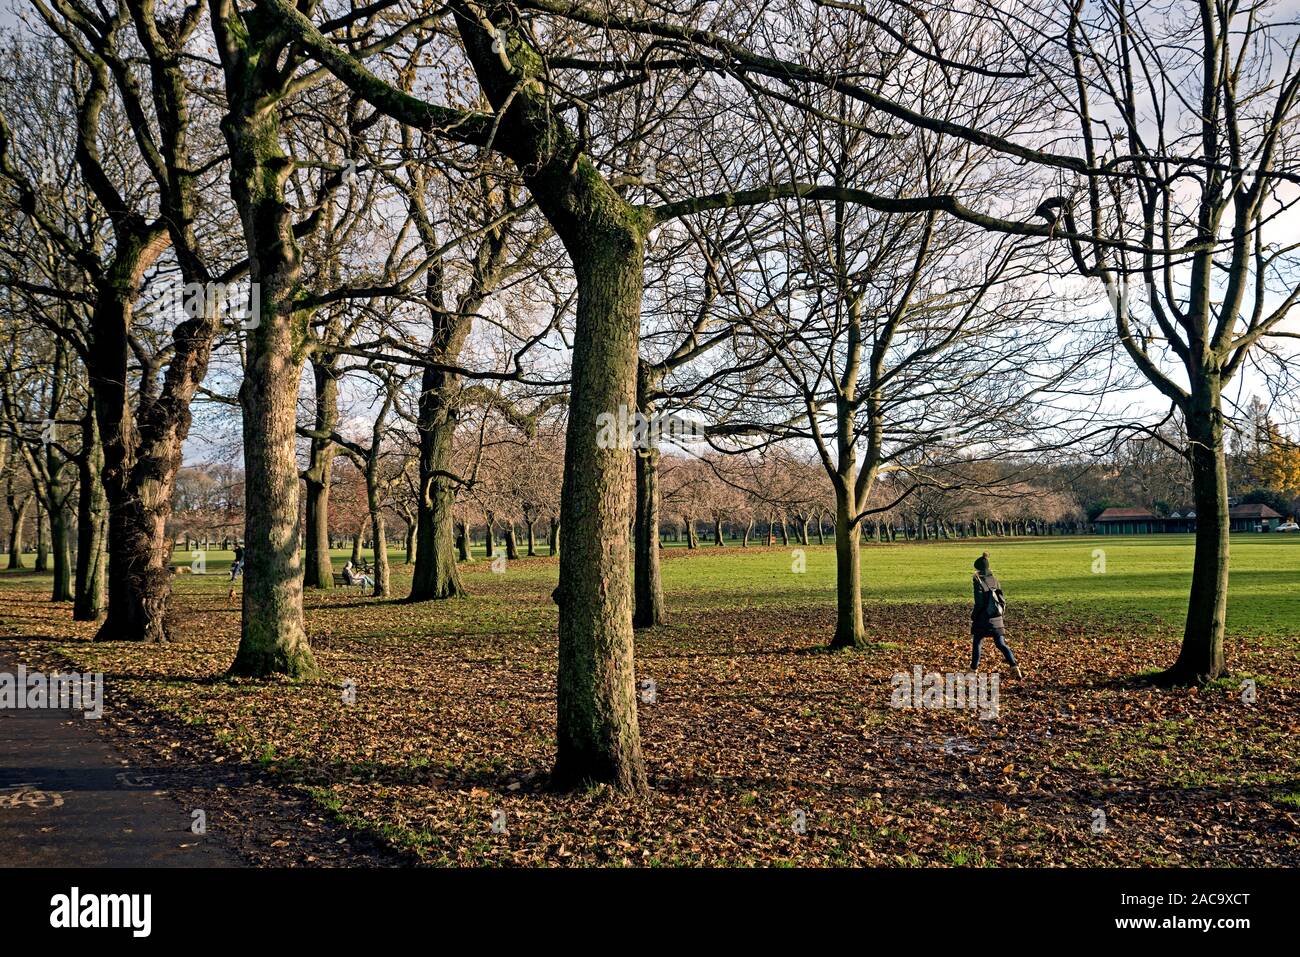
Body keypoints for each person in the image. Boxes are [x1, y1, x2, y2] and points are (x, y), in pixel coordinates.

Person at [971, 552, 1024, 679]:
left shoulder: (978, 581)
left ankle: (973, 669)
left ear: (978, 569)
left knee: (977, 642)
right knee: (1001, 644)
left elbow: (979, 603)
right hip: (997, 617)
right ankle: (1014, 667)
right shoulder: (995, 580)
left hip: (984, 619)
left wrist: (974, 616)